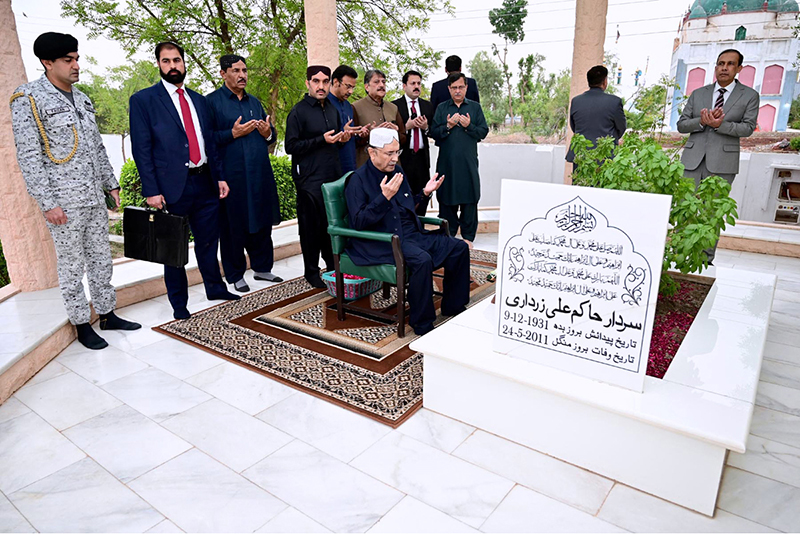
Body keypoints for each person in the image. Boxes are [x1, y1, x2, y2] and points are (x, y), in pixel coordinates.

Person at [10, 32, 140, 350]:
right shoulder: (28, 98)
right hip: (63, 202)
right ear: (47, 62)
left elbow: (96, 146)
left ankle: (107, 313)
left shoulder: (81, 98)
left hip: (93, 195)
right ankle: (82, 323)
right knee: (71, 265)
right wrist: (47, 202)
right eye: (68, 60)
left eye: (77, 58)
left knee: (100, 259)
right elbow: (28, 155)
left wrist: (112, 184)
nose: (75, 65)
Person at [129, 41, 239, 319]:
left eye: (176, 60)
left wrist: (220, 178)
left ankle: (215, 287)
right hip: (171, 187)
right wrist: (151, 190)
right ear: (158, 64)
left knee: (207, 241)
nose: (173, 66)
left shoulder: (199, 100)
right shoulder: (143, 101)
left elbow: (210, 143)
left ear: (184, 62)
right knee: (173, 249)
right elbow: (142, 149)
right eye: (166, 61)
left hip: (205, 182)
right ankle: (179, 303)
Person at [344, 128, 470, 336]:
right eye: (389, 153)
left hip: (411, 235)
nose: (395, 158)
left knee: (458, 247)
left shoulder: (398, 173)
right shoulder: (357, 180)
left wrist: (425, 193)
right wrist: (383, 198)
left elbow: (412, 209)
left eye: (397, 152)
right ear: (372, 152)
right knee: (422, 260)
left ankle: (453, 307)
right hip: (383, 241)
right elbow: (358, 223)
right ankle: (422, 323)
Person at [206, 54, 283, 293]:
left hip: (258, 173)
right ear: (223, 74)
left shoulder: (255, 102)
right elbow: (207, 140)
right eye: (236, 70)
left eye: (245, 70)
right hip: (231, 176)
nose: (242, 75)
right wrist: (232, 133)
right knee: (233, 226)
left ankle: (262, 268)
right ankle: (235, 274)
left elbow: (272, 136)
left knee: (261, 221)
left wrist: (267, 133)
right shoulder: (212, 103)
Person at [677, 48, 759, 264]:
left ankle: (704, 260)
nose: (724, 67)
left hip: (723, 163)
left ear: (739, 68)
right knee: (685, 209)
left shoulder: (749, 96)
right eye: (720, 63)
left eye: (730, 64)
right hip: (692, 162)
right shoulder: (699, 94)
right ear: (715, 67)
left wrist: (721, 125)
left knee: (712, 212)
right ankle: (680, 255)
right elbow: (682, 125)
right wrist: (701, 121)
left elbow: (748, 128)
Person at [285, 65, 352, 288]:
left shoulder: (332, 109)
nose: (321, 86)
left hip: (331, 177)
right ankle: (311, 272)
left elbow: (333, 141)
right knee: (310, 229)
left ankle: (331, 267)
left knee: (329, 226)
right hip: (309, 181)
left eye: (325, 82)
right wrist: (321, 139)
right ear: (308, 83)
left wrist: (342, 138)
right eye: (316, 81)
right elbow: (290, 146)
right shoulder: (298, 111)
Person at [430, 72, 489, 249]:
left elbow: (483, 132)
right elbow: (434, 132)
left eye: (460, 87)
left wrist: (468, 126)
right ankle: (449, 236)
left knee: (470, 197)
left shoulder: (475, 107)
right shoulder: (441, 108)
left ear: (466, 88)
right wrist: (448, 126)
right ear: (449, 89)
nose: (457, 91)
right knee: (447, 197)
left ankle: (468, 238)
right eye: (454, 87)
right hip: (447, 163)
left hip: (468, 163)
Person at [565, 65, 626, 172]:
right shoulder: (614, 102)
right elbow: (621, 127)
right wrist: (610, 140)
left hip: (581, 155)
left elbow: (574, 127)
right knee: (604, 188)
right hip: (606, 156)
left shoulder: (576, 101)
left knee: (580, 186)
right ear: (605, 81)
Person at [392, 70, 435, 216]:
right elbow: (392, 134)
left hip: (422, 159)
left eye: (419, 83)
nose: (416, 87)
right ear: (404, 86)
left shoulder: (428, 106)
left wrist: (426, 128)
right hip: (403, 158)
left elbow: (434, 132)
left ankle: (420, 229)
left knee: (423, 197)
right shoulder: (395, 106)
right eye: (412, 84)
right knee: (403, 197)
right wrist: (407, 127)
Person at [352, 69, 406, 168]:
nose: (381, 85)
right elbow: (352, 141)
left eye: (383, 82)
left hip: (392, 166)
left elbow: (403, 137)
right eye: (376, 82)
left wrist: (395, 132)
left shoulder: (393, 108)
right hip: (366, 166)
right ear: (367, 87)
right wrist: (370, 133)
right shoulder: (356, 107)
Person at [327, 65, 367, 174]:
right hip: (332, 168)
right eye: (348, 86)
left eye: (353, 87)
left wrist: (359, 133)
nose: (351, 91)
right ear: (335, 82)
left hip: (350, 165)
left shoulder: (348, 106)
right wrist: (342, 132)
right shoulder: (324, 104)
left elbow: (350, 133)